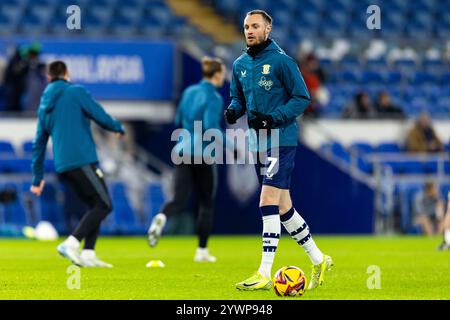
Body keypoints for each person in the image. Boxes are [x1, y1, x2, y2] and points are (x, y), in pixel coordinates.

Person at [224, 10, 332, 291]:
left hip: (280, 139)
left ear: (268, 28)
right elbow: (238, 97)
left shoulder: (282, 62)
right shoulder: (239, 65)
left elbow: (301, 98)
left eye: (255, 26)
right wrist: (233, 111)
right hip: (257, 143)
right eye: (246, 26)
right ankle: (319, 259)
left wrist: (274, 118)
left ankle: (264, 272)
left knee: (266, 201)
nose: (249, 30)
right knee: (284, 207)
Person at [30, 61, 125, 267]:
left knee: (94, 205)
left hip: (63, 166)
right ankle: (72, 243)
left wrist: (37, 179)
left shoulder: (44, 105)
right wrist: (117, 127)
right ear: (66, 73)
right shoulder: (76, 92)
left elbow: (38, 143)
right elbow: (99, 114)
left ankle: (89, 254)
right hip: (82, 160)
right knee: (104, 204)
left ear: (48, 77)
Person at [147, 57, 227, 263]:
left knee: (179, 198)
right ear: (217, 75)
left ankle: (162, 217)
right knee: (206, 202)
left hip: (182, 148)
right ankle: (201, 251)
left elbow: (178, 120)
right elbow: (210, 126)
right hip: (203, 152)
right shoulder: (214, 98)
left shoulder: (189, 92)